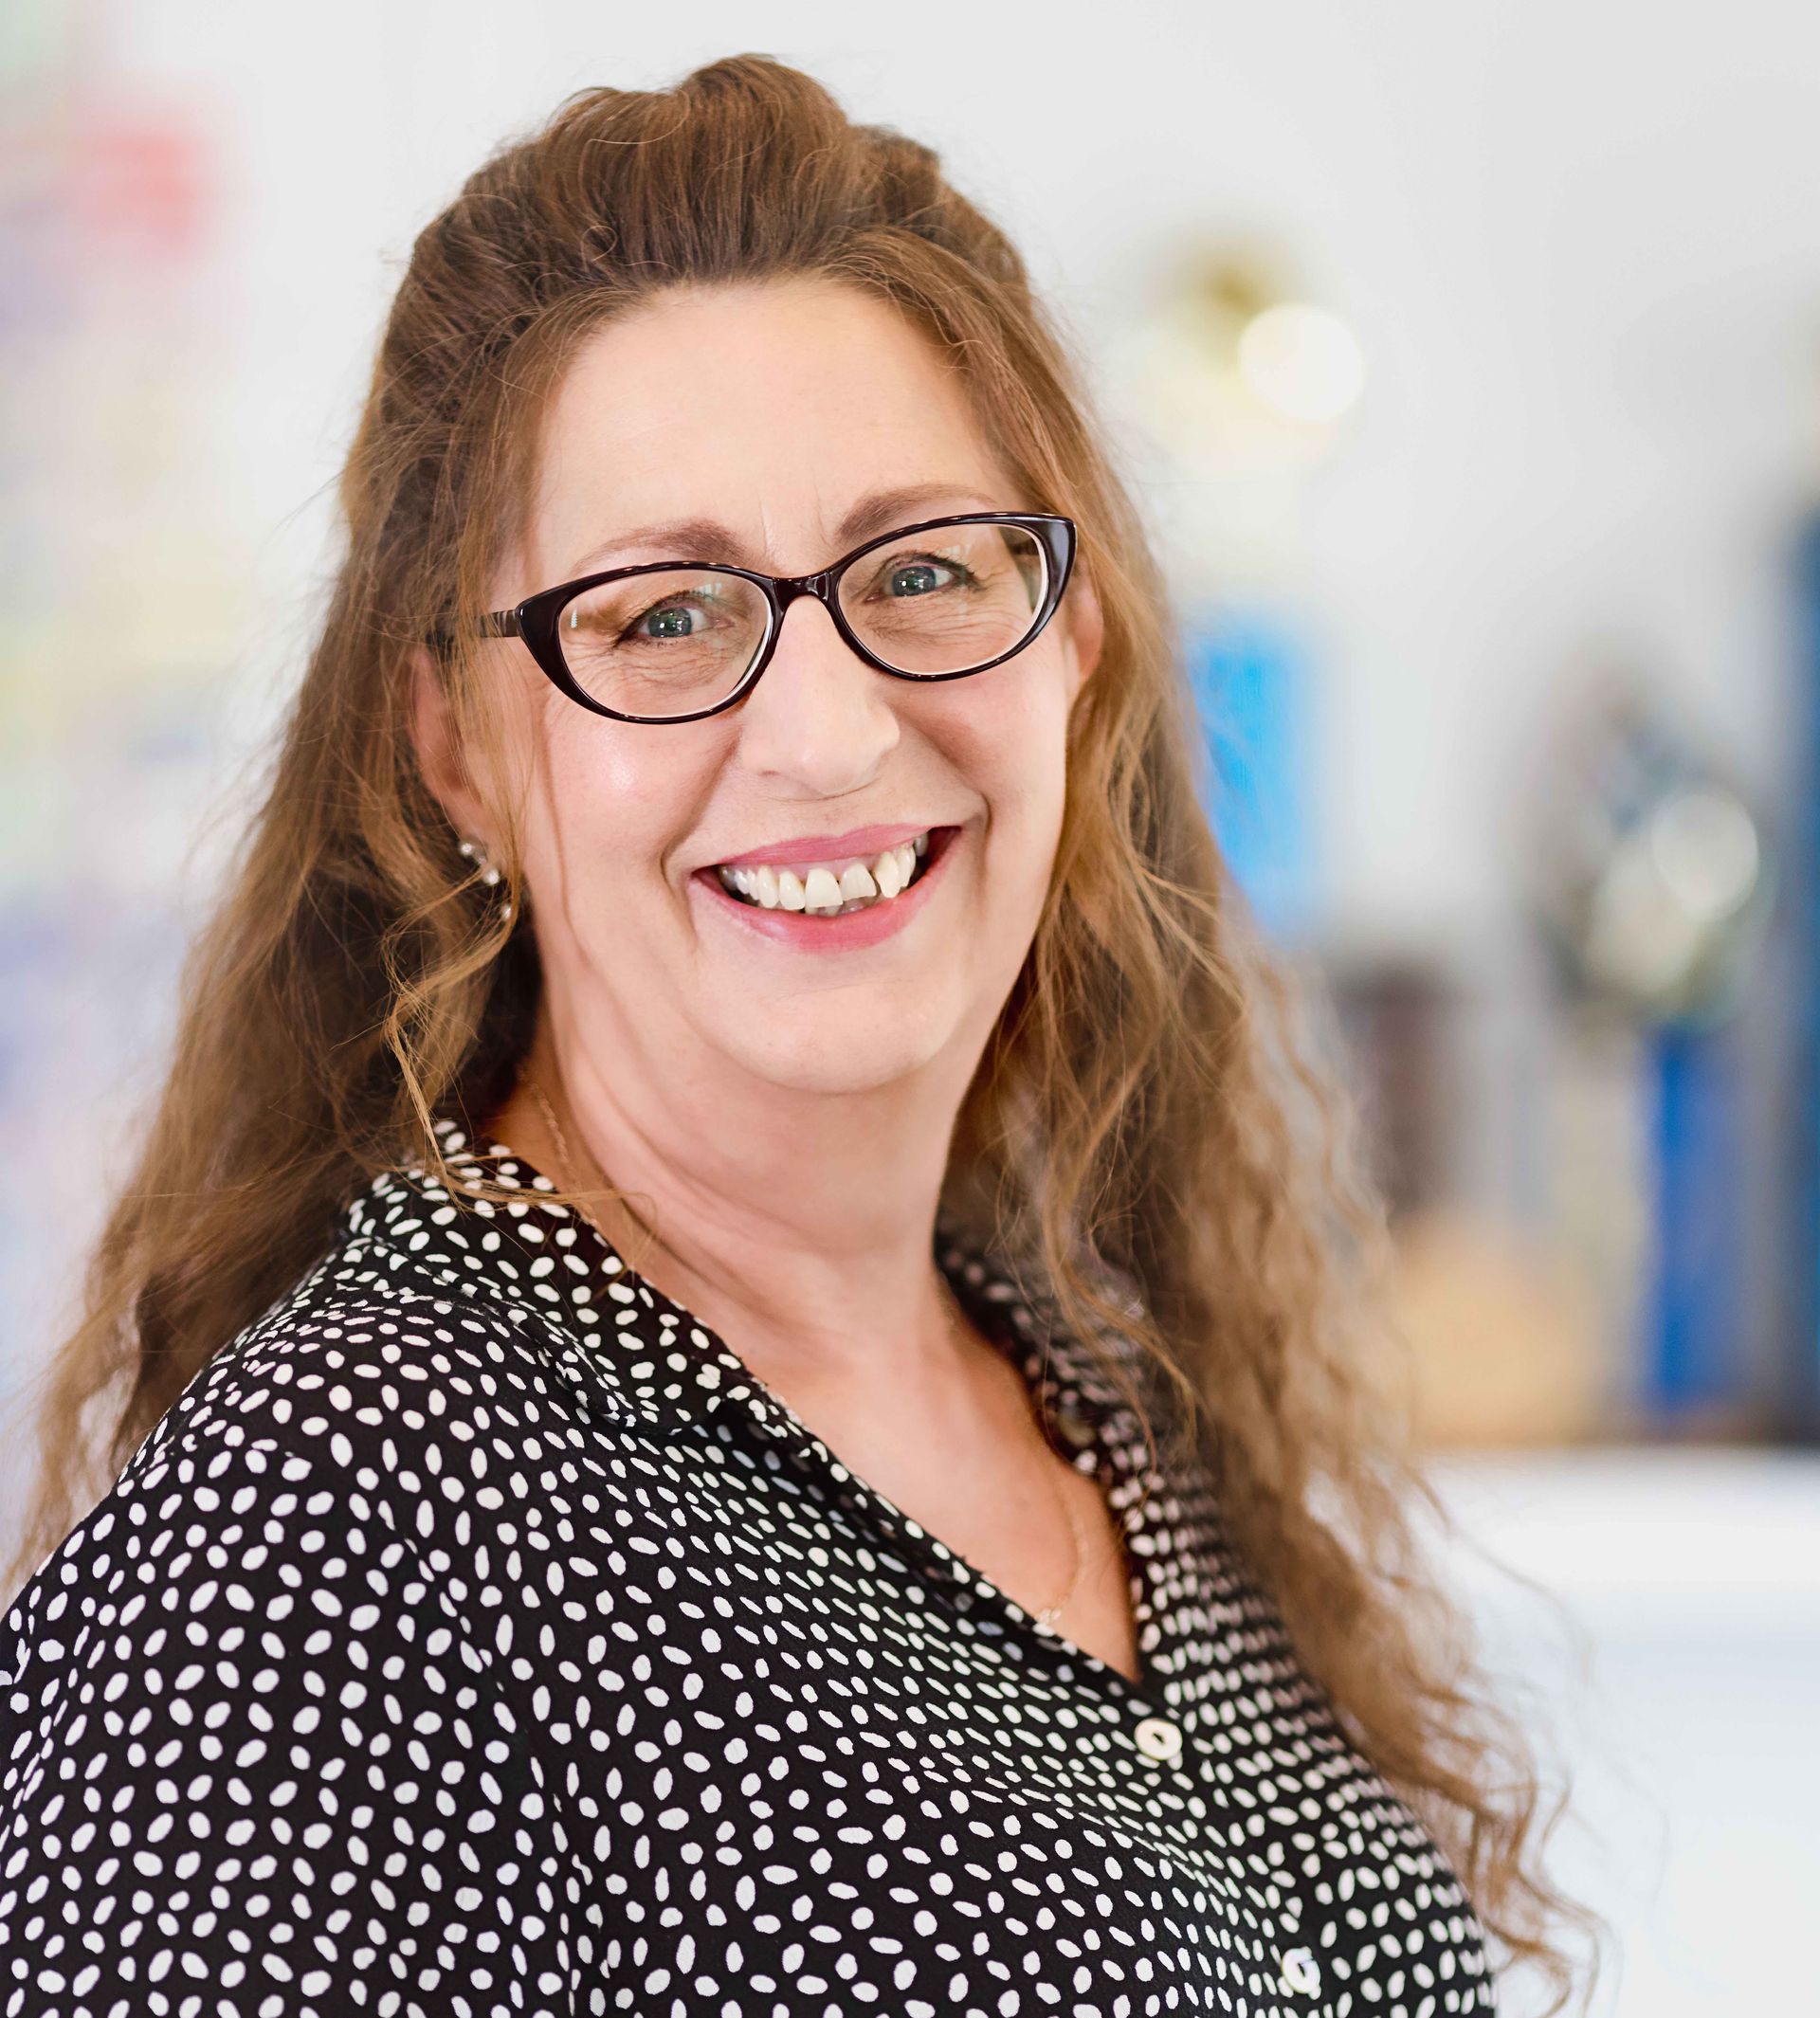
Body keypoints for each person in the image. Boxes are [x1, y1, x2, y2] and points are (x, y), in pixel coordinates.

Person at [0, 53, 1584, 2018]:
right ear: (460, 752)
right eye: (664, 616)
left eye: (924, 573)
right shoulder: (329, 1538)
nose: (828, 733)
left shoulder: (1109, 1399)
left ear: (1067, 657)